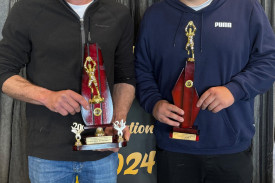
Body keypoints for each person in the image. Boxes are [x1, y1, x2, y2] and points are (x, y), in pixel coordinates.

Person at [135, 0, 275, 182]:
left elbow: (268, 62)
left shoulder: (246, 8)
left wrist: (235, 90)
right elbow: (141, 70)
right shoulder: (155, 15)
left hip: (230, 147)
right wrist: (154, 102)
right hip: (174, 149)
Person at [0, 0, 135, 182]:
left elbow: (125, 76)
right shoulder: (27, 9)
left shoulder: (119, 13)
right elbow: (3, 71)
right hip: (48, 153)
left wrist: (117, 123)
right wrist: (47, 97)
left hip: (101, 154)